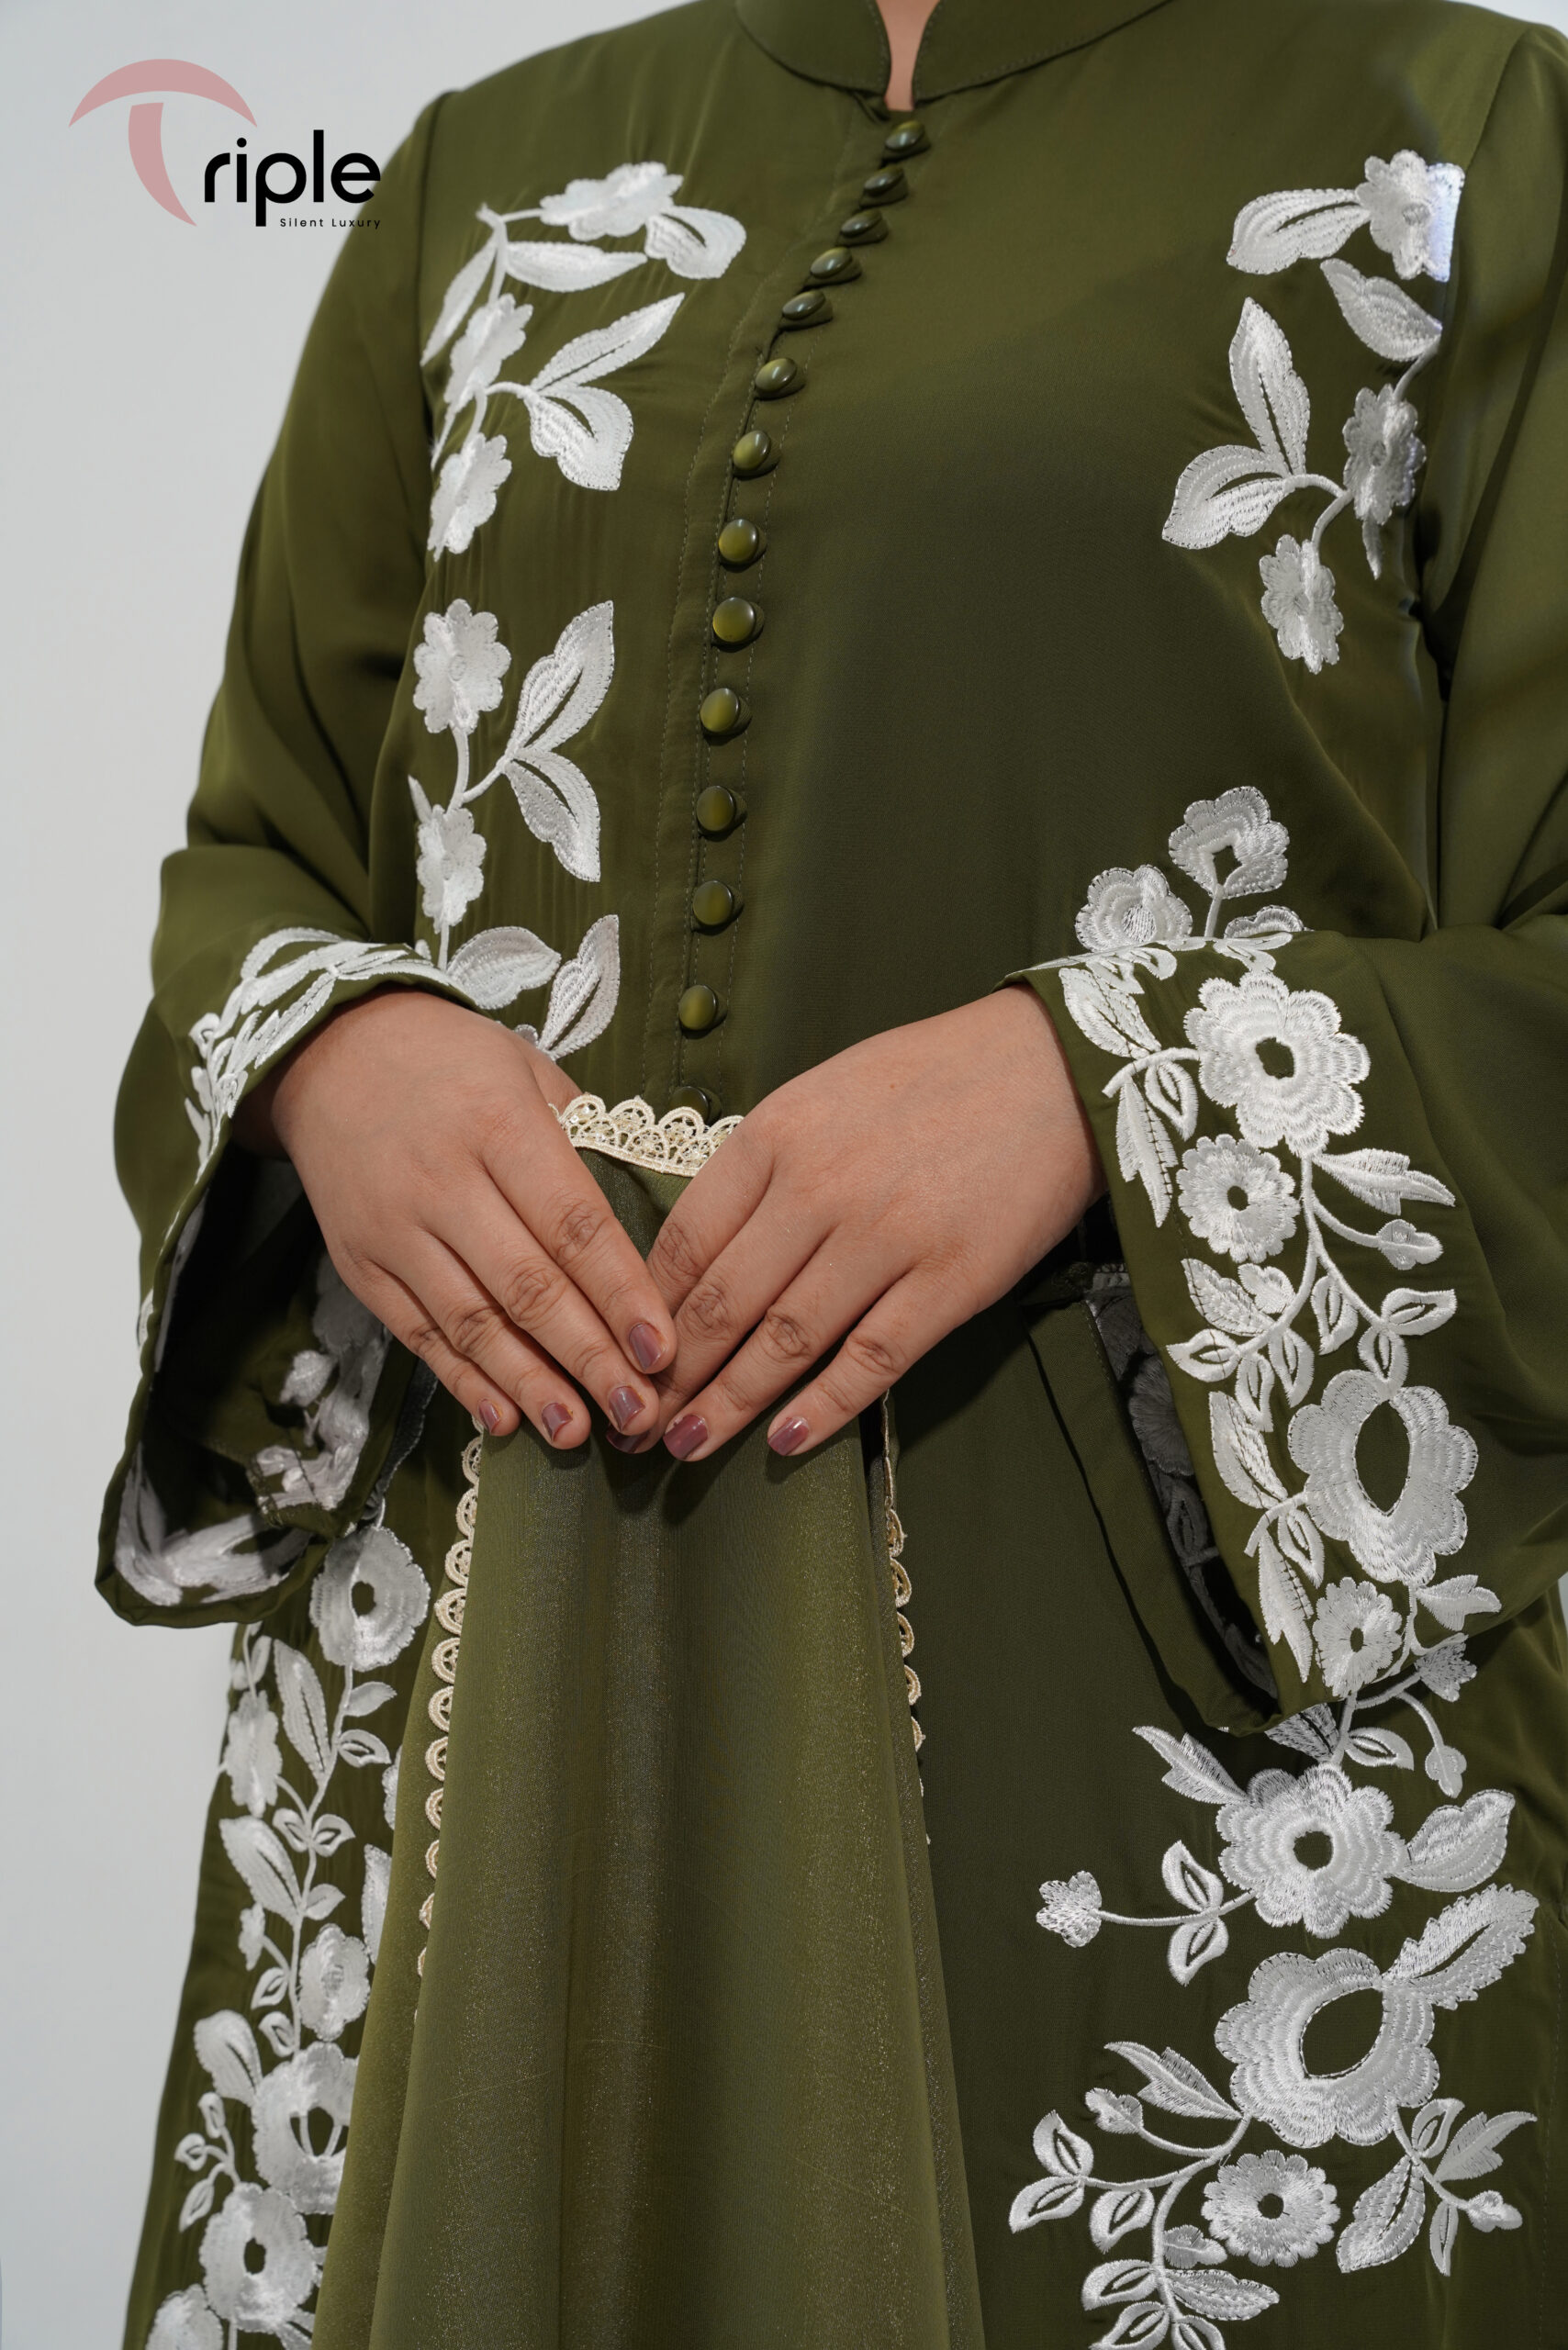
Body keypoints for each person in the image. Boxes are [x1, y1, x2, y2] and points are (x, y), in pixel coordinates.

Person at [106, 0, 1568, 2341]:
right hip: (502, 1646)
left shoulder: (1458, 138)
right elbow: (263, 846)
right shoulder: (492, 178)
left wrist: (1108, 1070)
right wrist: (331, 1055)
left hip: (1136, 1695)